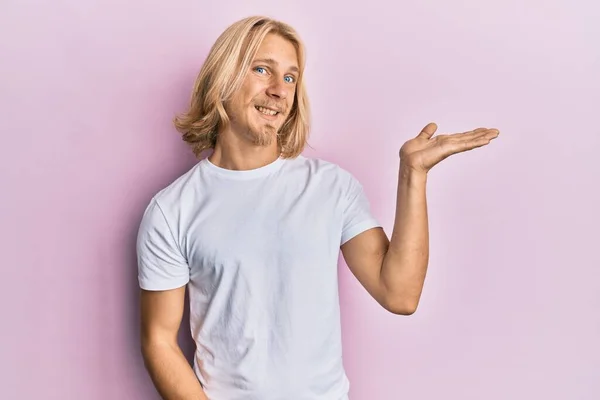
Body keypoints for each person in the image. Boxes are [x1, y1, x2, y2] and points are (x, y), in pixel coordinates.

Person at [136, 15, 499, 400]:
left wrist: (414, 174)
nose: (279, 90)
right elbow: (158, 340)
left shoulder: (330, 187)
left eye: (290, 78)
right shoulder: (172, 210)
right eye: (262, 70)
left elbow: (400, 294)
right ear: (222, 79)